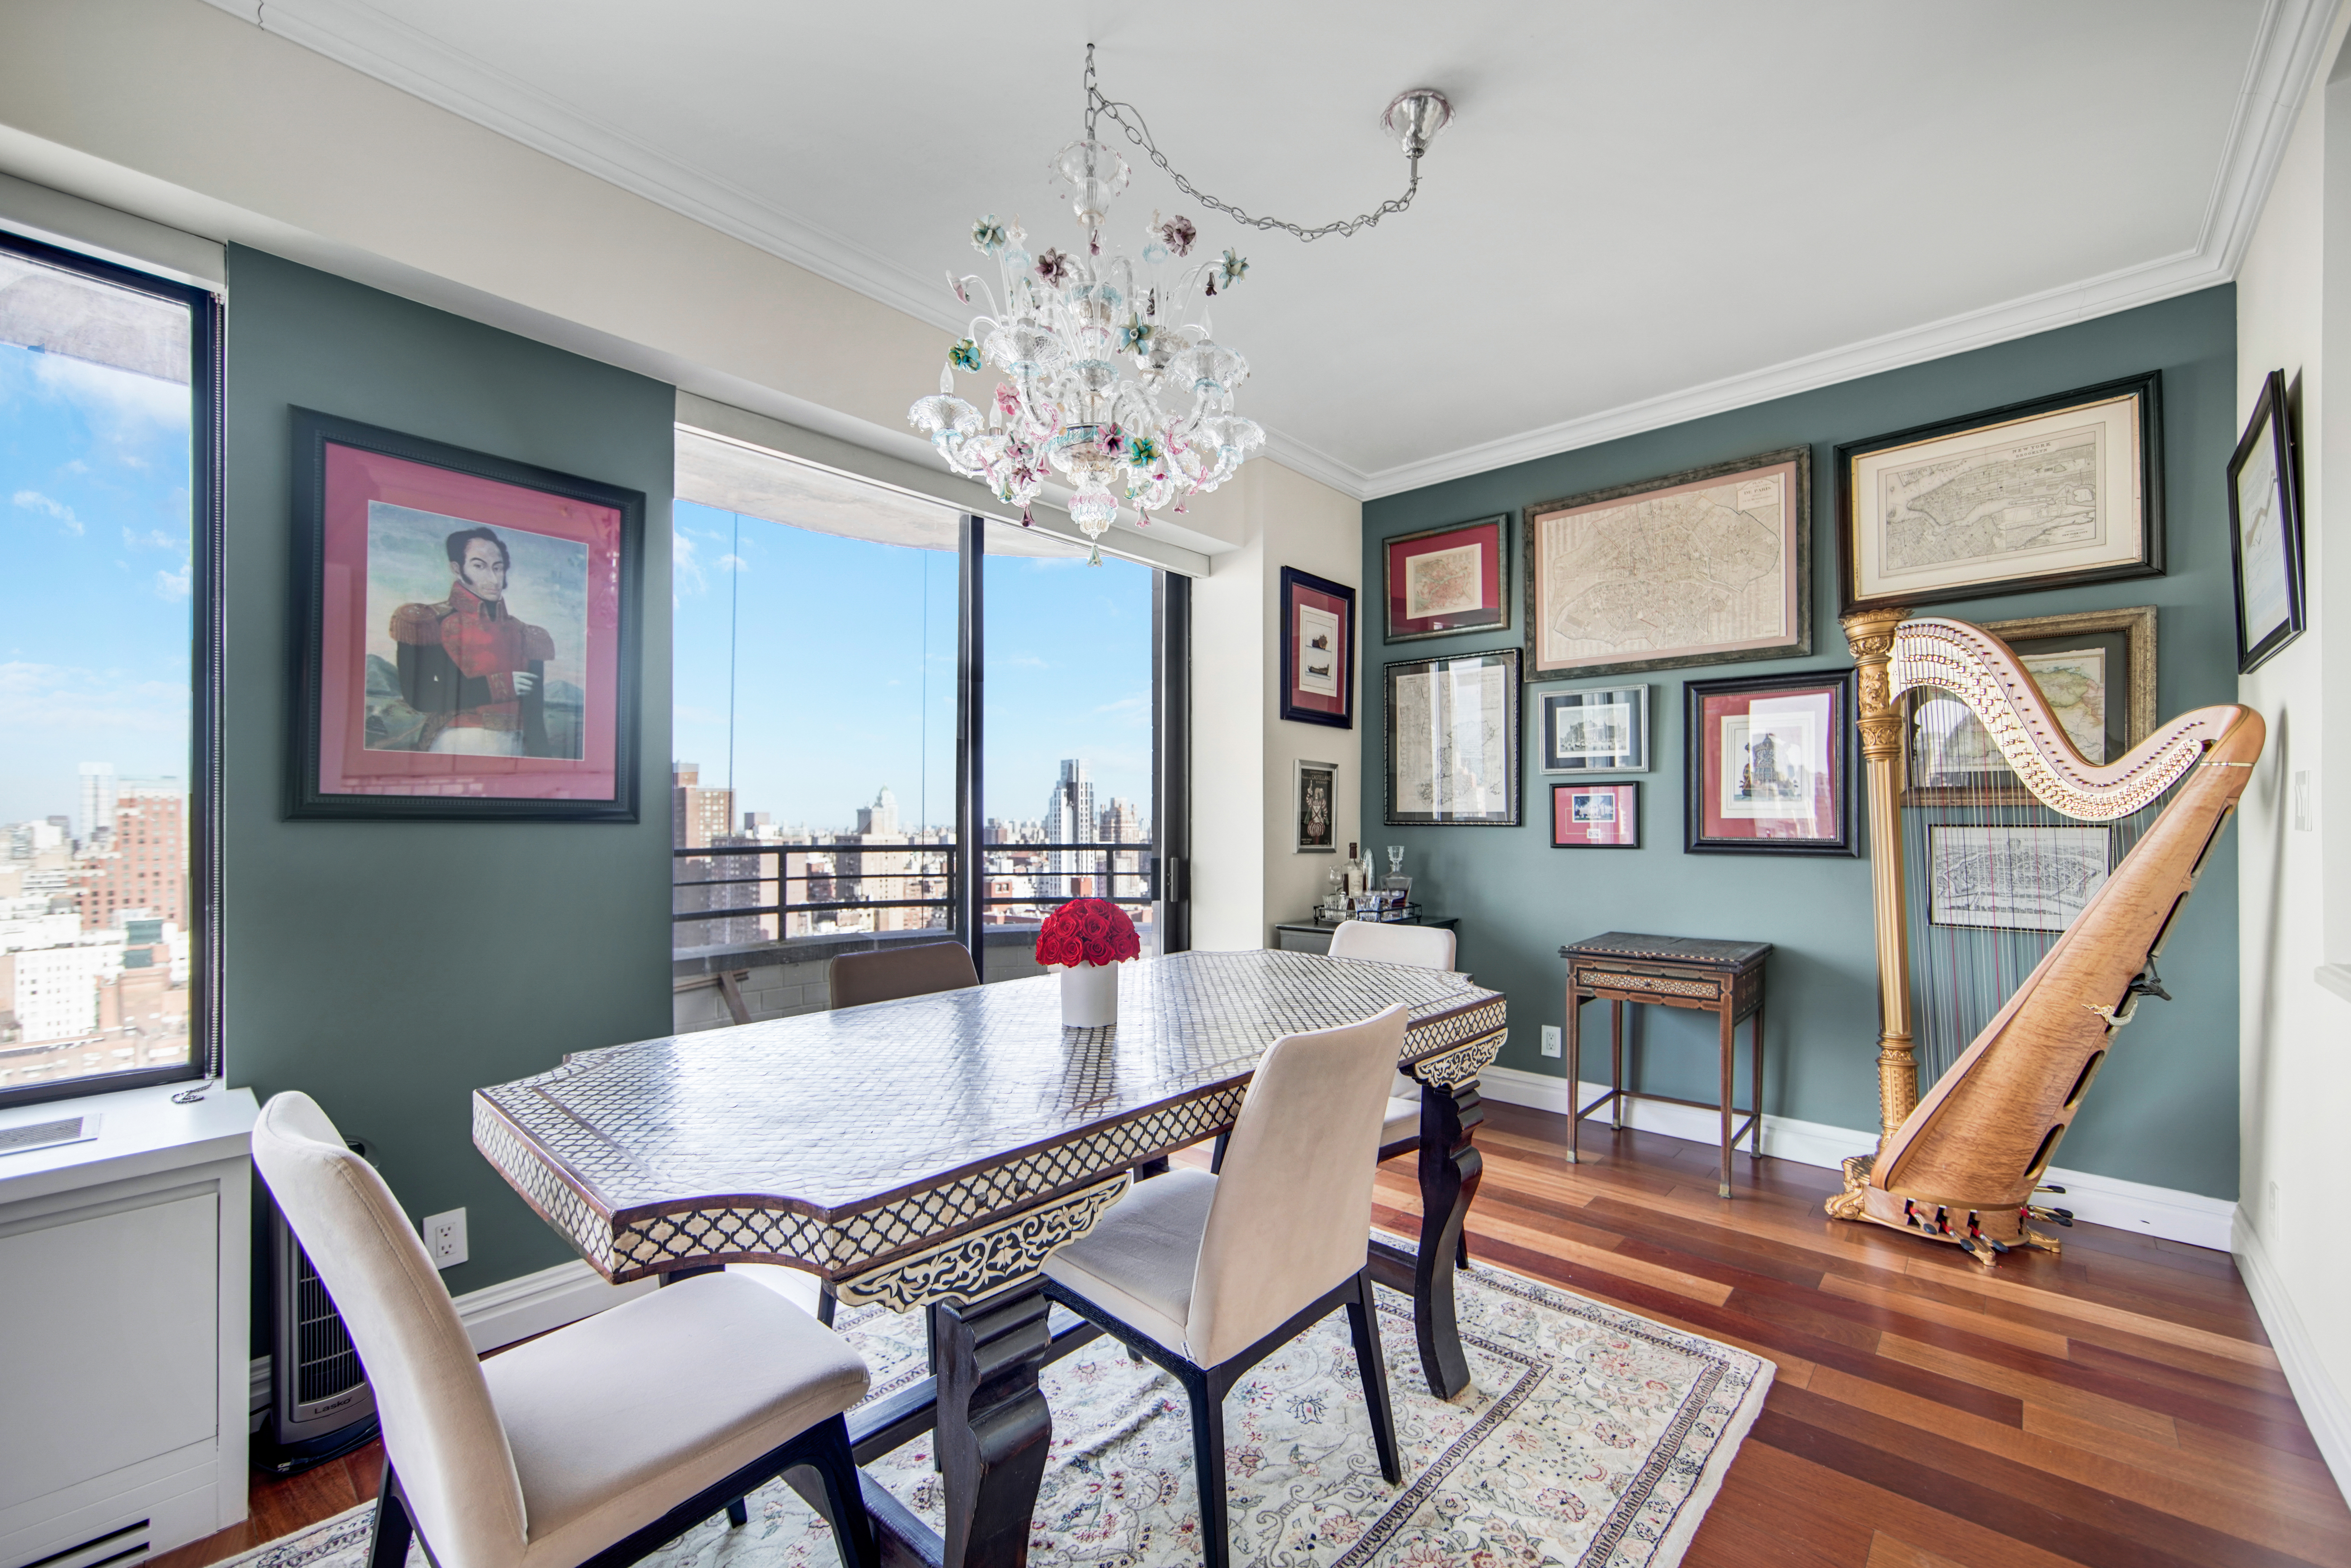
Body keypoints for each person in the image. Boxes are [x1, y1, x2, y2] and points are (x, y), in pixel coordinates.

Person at [389, 525, 554, 756]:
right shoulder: (427, 621)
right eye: (480, 566)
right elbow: (421, 697)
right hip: (457, 742)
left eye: (499, 568)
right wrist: (501, 685)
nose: (494, 578)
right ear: (457, 569)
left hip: (518, 749)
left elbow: (535, 719)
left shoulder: (526, 634)